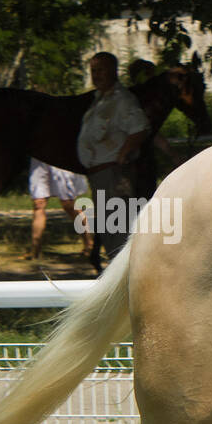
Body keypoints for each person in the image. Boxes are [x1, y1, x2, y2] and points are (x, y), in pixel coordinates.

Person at [77, 52, 149, 272]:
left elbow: (140, 128)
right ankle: (118, 279)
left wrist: (122, 154)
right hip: (99, 175)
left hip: (113, 174)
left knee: (118, 229)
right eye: (93, 71)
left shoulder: (122, 99)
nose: (95, 75)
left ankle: (125, 280)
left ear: (113, 71)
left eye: (100, 70)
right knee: (108, 229)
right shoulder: (100, 99)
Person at [126, 59, 178, 201]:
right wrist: (173, 156)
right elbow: (152, 134)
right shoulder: (136, 102)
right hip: (137, 165)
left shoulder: (132, 99)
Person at [24, 158, 91, 261]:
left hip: (59, 157)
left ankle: (88, 243)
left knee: (68, 205)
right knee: (38, 205)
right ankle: (34, 251)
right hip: (39, 158)